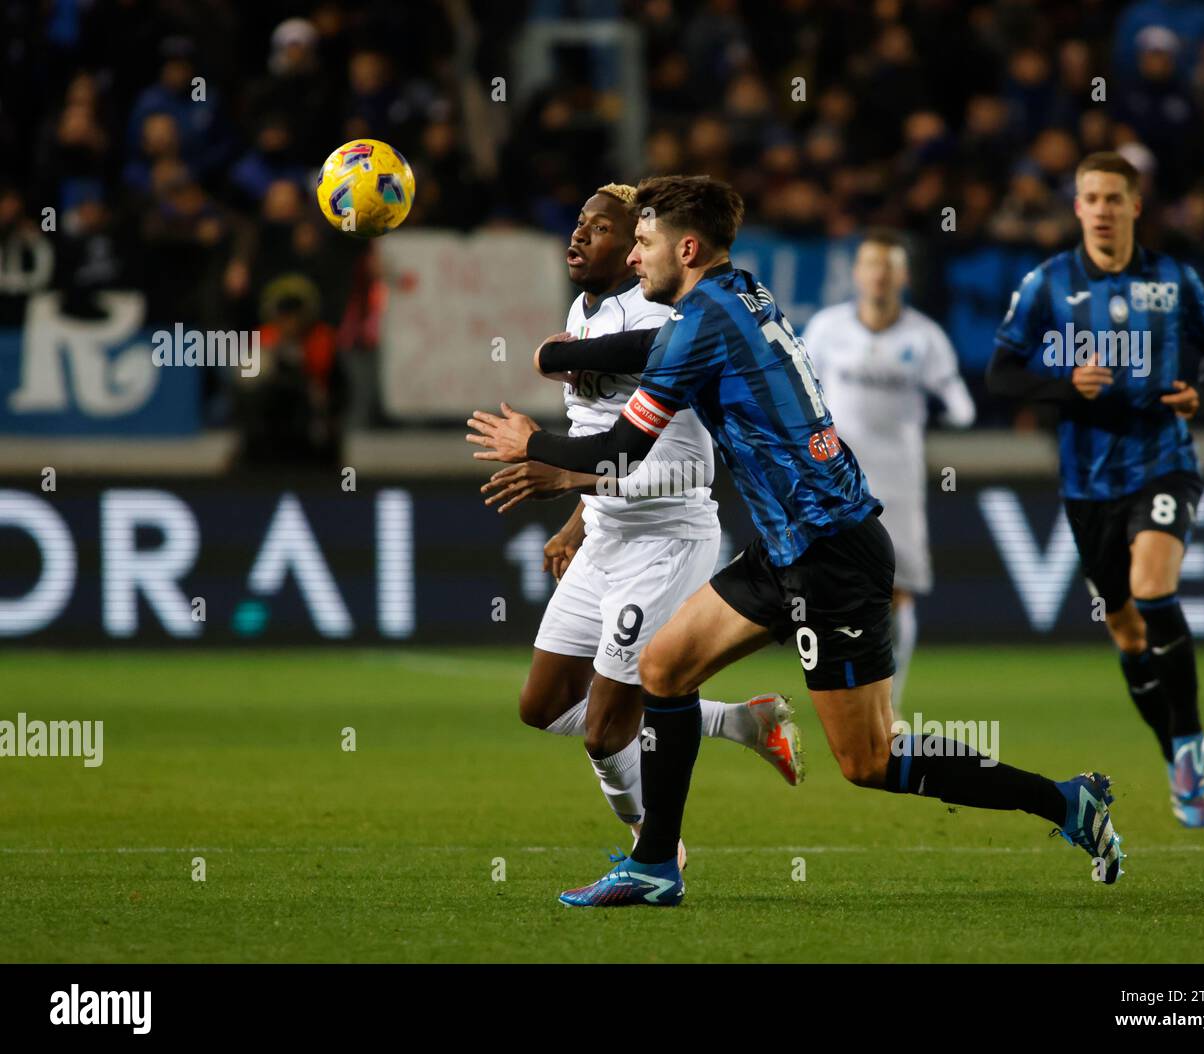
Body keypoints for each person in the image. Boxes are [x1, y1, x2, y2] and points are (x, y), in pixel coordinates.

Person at [468, 175, 1125, 906]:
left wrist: (536, 441)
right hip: (786, 548)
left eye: (645, 244)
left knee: (868, 760)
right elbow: (642, 347)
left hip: (830, 552)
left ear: (685, 248)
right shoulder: (739, 292)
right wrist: (557, 359)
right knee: (663, 669)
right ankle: (656, 864)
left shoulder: (697, 326)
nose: (635, 261)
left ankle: (1066, 803)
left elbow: (619, 446)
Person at [480, 184, 804, 866]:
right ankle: (742, 721)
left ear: (639, 250)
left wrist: (562, 382)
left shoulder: (659, 309)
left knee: (605, 731)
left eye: (602, 230)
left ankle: (655, 852)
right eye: (580, 225)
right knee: (541, 705)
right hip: (606, 533)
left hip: (667, 538)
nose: (580, 237)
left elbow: (680, 448)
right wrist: (579, 516)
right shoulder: (585, 308)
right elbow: (598, 432)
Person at [987, 151, 1204, 828]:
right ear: (1077, 207)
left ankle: (1189, 740)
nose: (1100, 209)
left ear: (1134, 205)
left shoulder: (1175, 279)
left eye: (1112, 198)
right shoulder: (1046, 283)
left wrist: (1200, 395)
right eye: (1088, 197)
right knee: (1126, 630)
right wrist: (1064, 385)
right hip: (1087, 484)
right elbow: (1001, 374)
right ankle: (1176, 756)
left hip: (1162, 462)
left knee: (1154, 589)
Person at [803, 230, 975, 708]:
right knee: (830, 589)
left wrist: (950, 418)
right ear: (857, 274)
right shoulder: (826, 329)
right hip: (837, 482)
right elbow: (801, 391)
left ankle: (889, 704)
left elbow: (959, 403)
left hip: (898, 482)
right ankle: (841, 695)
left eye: (889, 266)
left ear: (903, 276)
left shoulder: (924, 337)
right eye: (871, 265)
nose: (879, 275)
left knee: (897, 594)